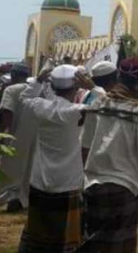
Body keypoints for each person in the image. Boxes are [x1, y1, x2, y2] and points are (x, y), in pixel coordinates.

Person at [81, 58, 138, 253]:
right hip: (125, 188)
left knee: (94, 243)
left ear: (118, 76)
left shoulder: (98, 104)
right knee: (121, 246)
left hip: (93, 185)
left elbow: (85, 148)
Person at [18, 65, 88, 253]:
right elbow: (104, 104)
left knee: (38, 233)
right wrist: (93, 87)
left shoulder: (41, 106)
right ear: (75, 87)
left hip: (40, 178)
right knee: (65, 238)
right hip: (68, 181)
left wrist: (38, 81)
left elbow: (25, 98)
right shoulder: (76, 110)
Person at [0, 63, 33, 212]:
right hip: (32, 135)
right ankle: (24, 199)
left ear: (13, 76)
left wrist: (3, 135)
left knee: (7, 167)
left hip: (14, 134)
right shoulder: (35, 90)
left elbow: (7, 113)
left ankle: (10, 199)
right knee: (27, 167)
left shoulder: (11, 90)